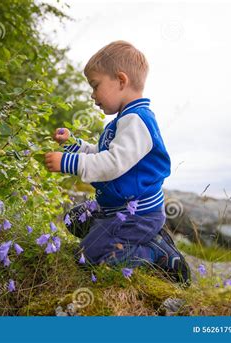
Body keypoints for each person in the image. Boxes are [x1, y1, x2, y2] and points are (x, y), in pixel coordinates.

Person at [44, 40, 190, 286]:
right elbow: (101, 153)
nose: (92, 95)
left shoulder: (137, 121)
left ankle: (157, 253)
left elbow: (112, 164)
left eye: (95, 86)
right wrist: (74, 145)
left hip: (139, 215)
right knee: (73, 219)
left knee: (88, 257)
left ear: (121, 81)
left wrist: (69, 162)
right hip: (116, 210)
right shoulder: (124, 120)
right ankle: (127, 237)